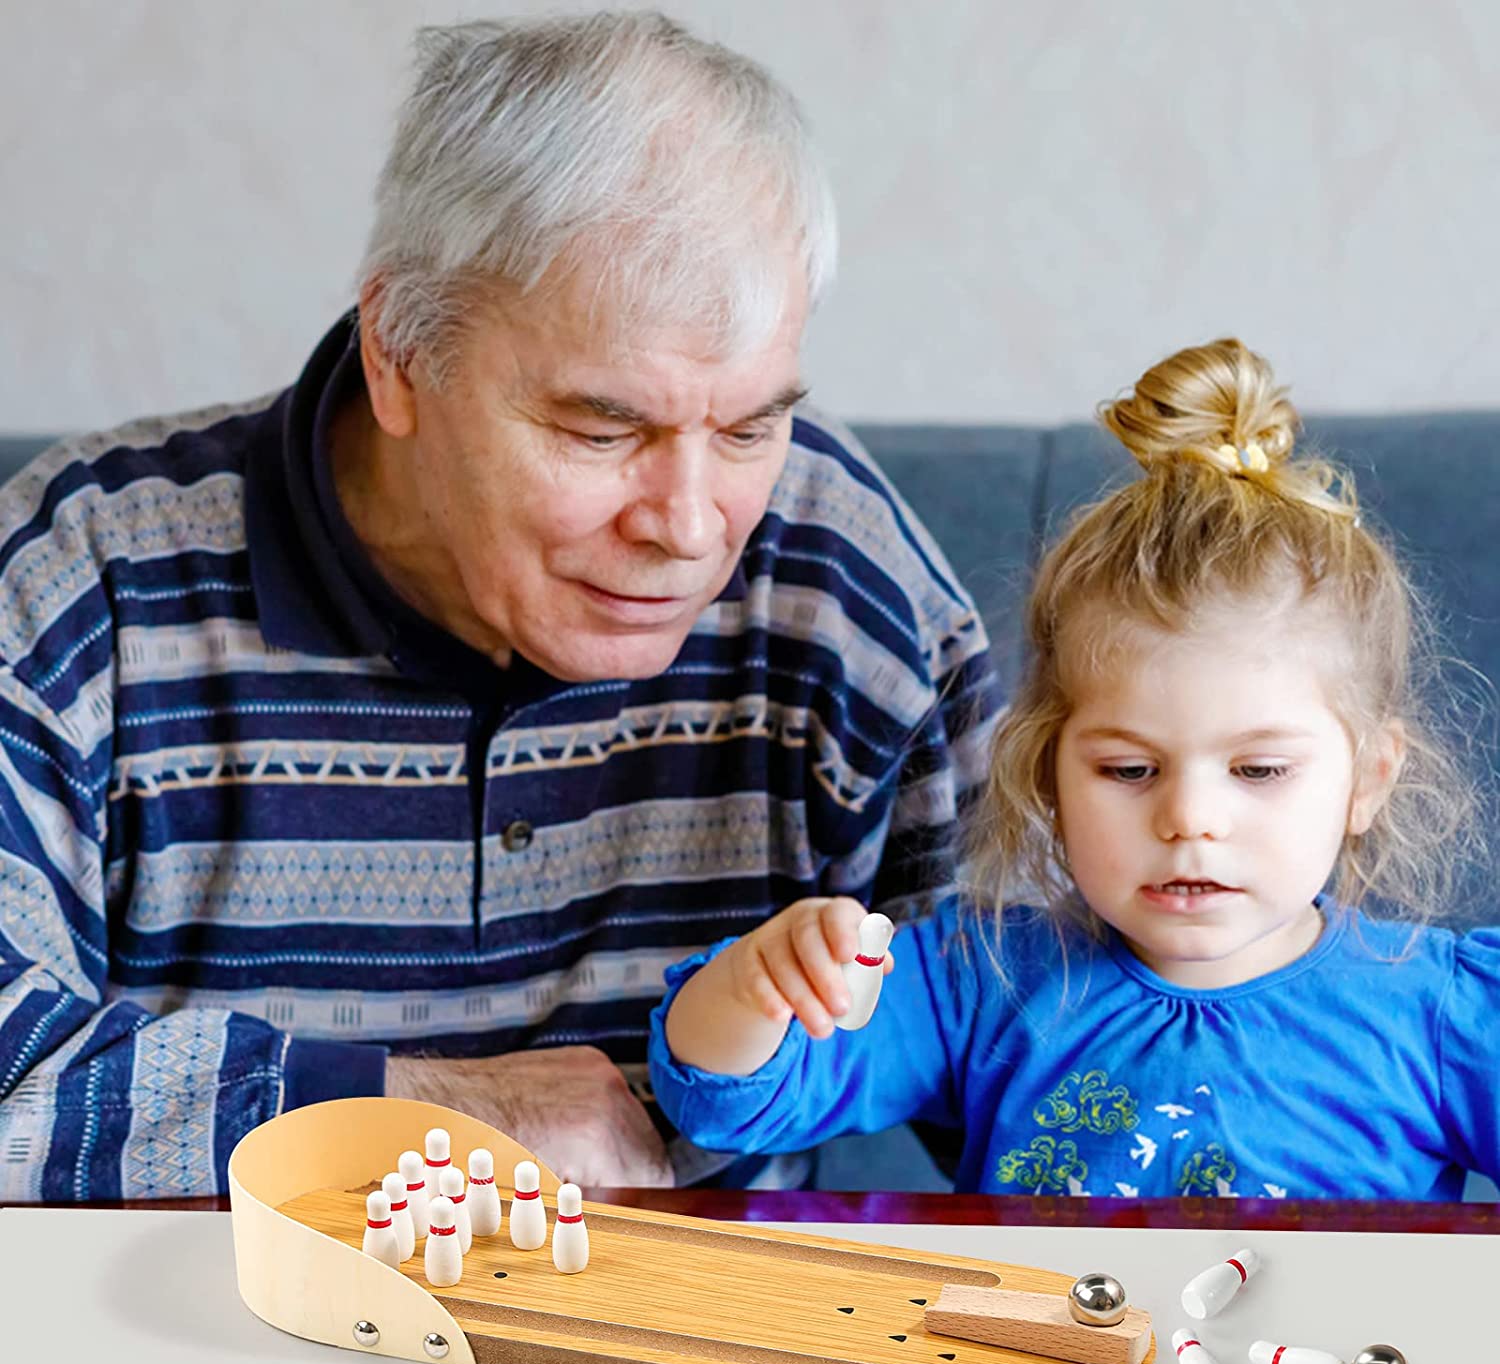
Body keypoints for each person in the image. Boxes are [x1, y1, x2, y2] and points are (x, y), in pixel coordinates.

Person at [0, 14, 1000, 1200]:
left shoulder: (839, 581)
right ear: (401, 357)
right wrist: (432, 1112)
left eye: (747, 428)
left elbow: (1058, 1028)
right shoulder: (83, 587)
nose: (689, 526)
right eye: (601, 428)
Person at [650, 337, 1500, 1201]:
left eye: (1260, 771)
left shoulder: (1441, 1013)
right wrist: (756, 986)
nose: (1191, 818)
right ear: (1048, 774)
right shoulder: (976, 977)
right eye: (1130, 770)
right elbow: (727, 1104)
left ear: (1369, 779)